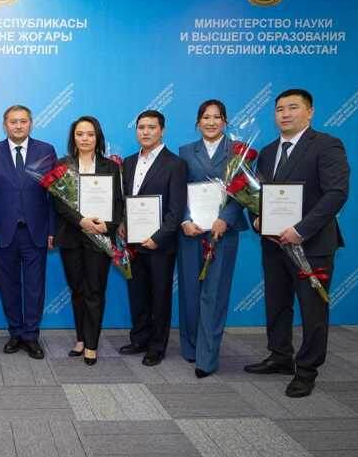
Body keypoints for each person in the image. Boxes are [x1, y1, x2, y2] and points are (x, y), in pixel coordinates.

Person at [244, 88, 349, 398]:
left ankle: (306, 371)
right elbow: (257, 196)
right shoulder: (266, 152)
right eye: (279, 109)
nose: (285, 114)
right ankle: (280, 356)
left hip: (311, 245)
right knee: (277, 304)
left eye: (292, 107)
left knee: (312, 310)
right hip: (274, 244)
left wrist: (301, 230)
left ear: (310, 112)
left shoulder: (327, 145)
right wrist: (257, 219)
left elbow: (336, 194)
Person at [177, 100, 248, 378]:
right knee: (189, 292)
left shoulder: (238, 151)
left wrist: (226, 218)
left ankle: (206, 358)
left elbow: (243, 190)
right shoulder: (185, 151)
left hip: (223, 232)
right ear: (198, 123)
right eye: (206, 117)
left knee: (214, 294)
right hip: (191, 232)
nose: (211, 122)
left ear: (225, 122)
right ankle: (191, 347)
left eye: (217, 117)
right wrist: (185, 219)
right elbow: (178, 190)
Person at [0, 105, 56, 359]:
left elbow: (54, 194)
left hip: (36, 231)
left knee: (35, 287)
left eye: (23, 121)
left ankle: (31, 336)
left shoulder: (46, 151)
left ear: (31, 124)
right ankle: (15, 332)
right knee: (8, 286)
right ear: (5, 125)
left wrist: (52, 230)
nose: (18, 125)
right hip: (3, 232)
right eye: (13, 121)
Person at [119, 109, 187, 366]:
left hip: (160, 244)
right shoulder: (128, 163)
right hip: (133, 242)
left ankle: (157, 346)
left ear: (162, 131)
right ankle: (140, 339)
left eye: (151, 127)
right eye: (141, 127)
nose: (145, 132)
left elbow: (176, 209)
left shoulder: (175, 164)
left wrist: (158, 237)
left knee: (159, 296)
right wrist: (122, 223)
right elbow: (125, 201)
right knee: (137, 293)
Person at [53, 116, 122, 366]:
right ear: (73, 138)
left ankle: (92, 344)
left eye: (90, 134)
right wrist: (81, 221)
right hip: (71, 236)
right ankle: (81, 338)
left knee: (95, 290)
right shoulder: (63, 165)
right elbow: (58, 202)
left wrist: (109, 225)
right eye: (80, 134)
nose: (85, 138)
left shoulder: (110, 166)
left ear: (97, 137)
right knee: (78, 290)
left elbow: (118, 202)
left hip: (99, 237)